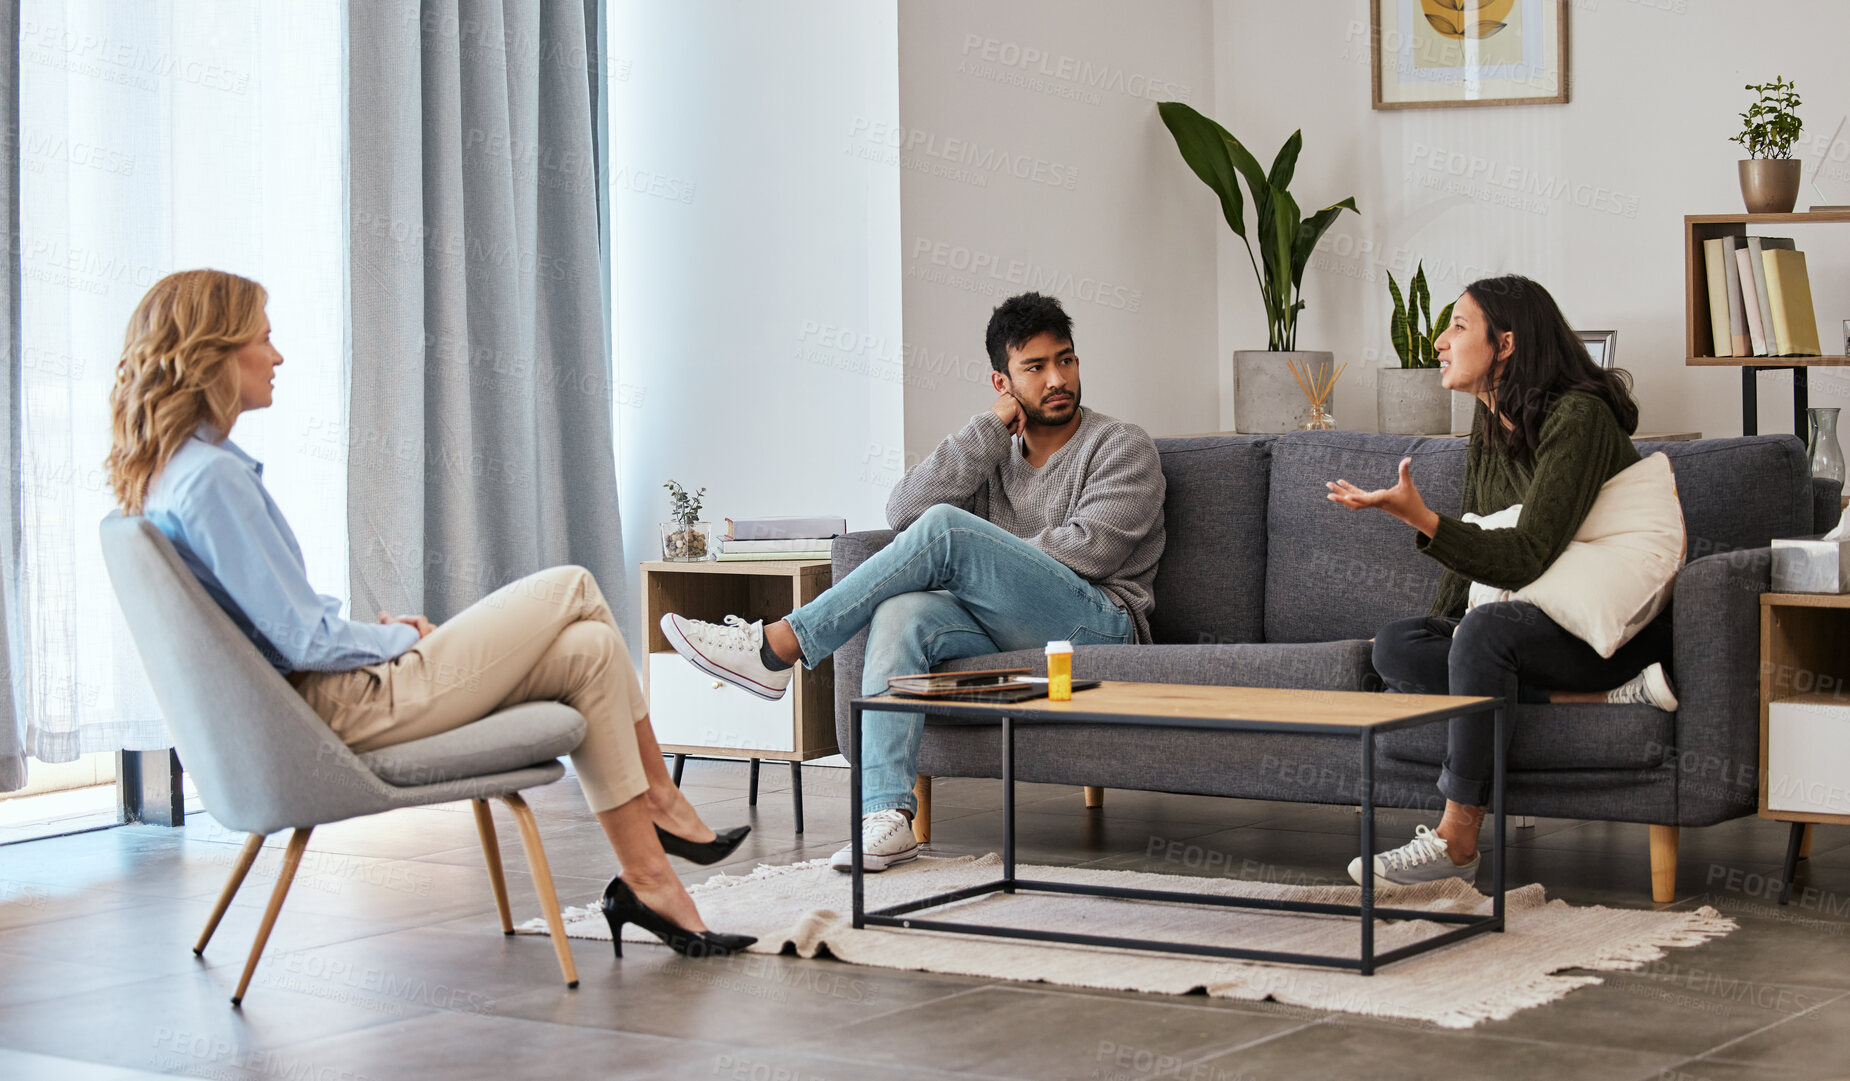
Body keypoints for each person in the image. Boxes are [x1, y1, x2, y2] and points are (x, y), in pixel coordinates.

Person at [107, 269, 754, 958]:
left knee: (593, 649)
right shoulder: (213, 480)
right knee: (575, 586)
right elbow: (302, 637)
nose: (278, 355)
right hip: (347, 708)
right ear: (215, 355)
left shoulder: (176, 474)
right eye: (265, 338)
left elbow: (284, 630)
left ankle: (649, 880)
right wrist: (399, 636)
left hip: (330, 701)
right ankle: (660, 799)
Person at [660, 292, 1166, 872]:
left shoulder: (1123, 445)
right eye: (1036, 367)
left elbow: (1092, 551)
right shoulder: (990, 455)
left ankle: (777, 646)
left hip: (1096, 625)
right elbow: (903, 509)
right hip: (1006, 626)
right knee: (900, 613)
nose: (1058, 378)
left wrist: (980, 557)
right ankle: (886, 817)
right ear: (1002, 383)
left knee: (950, 533)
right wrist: (985, 434)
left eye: (1067, 360)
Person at [1327, 274, 1677, 886]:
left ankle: (1456, 839)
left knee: (1485, 634)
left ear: (1507, 344)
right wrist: (1450, 631)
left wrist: (1424, 521)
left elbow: (1528, 554)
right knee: (1398, 645)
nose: (1439, 341)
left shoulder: (1579, 418)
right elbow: (1474, 550)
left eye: (1459, 326)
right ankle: (1588, 702)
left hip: (1609, 636)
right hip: (1534, 636)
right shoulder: (1489, 428)